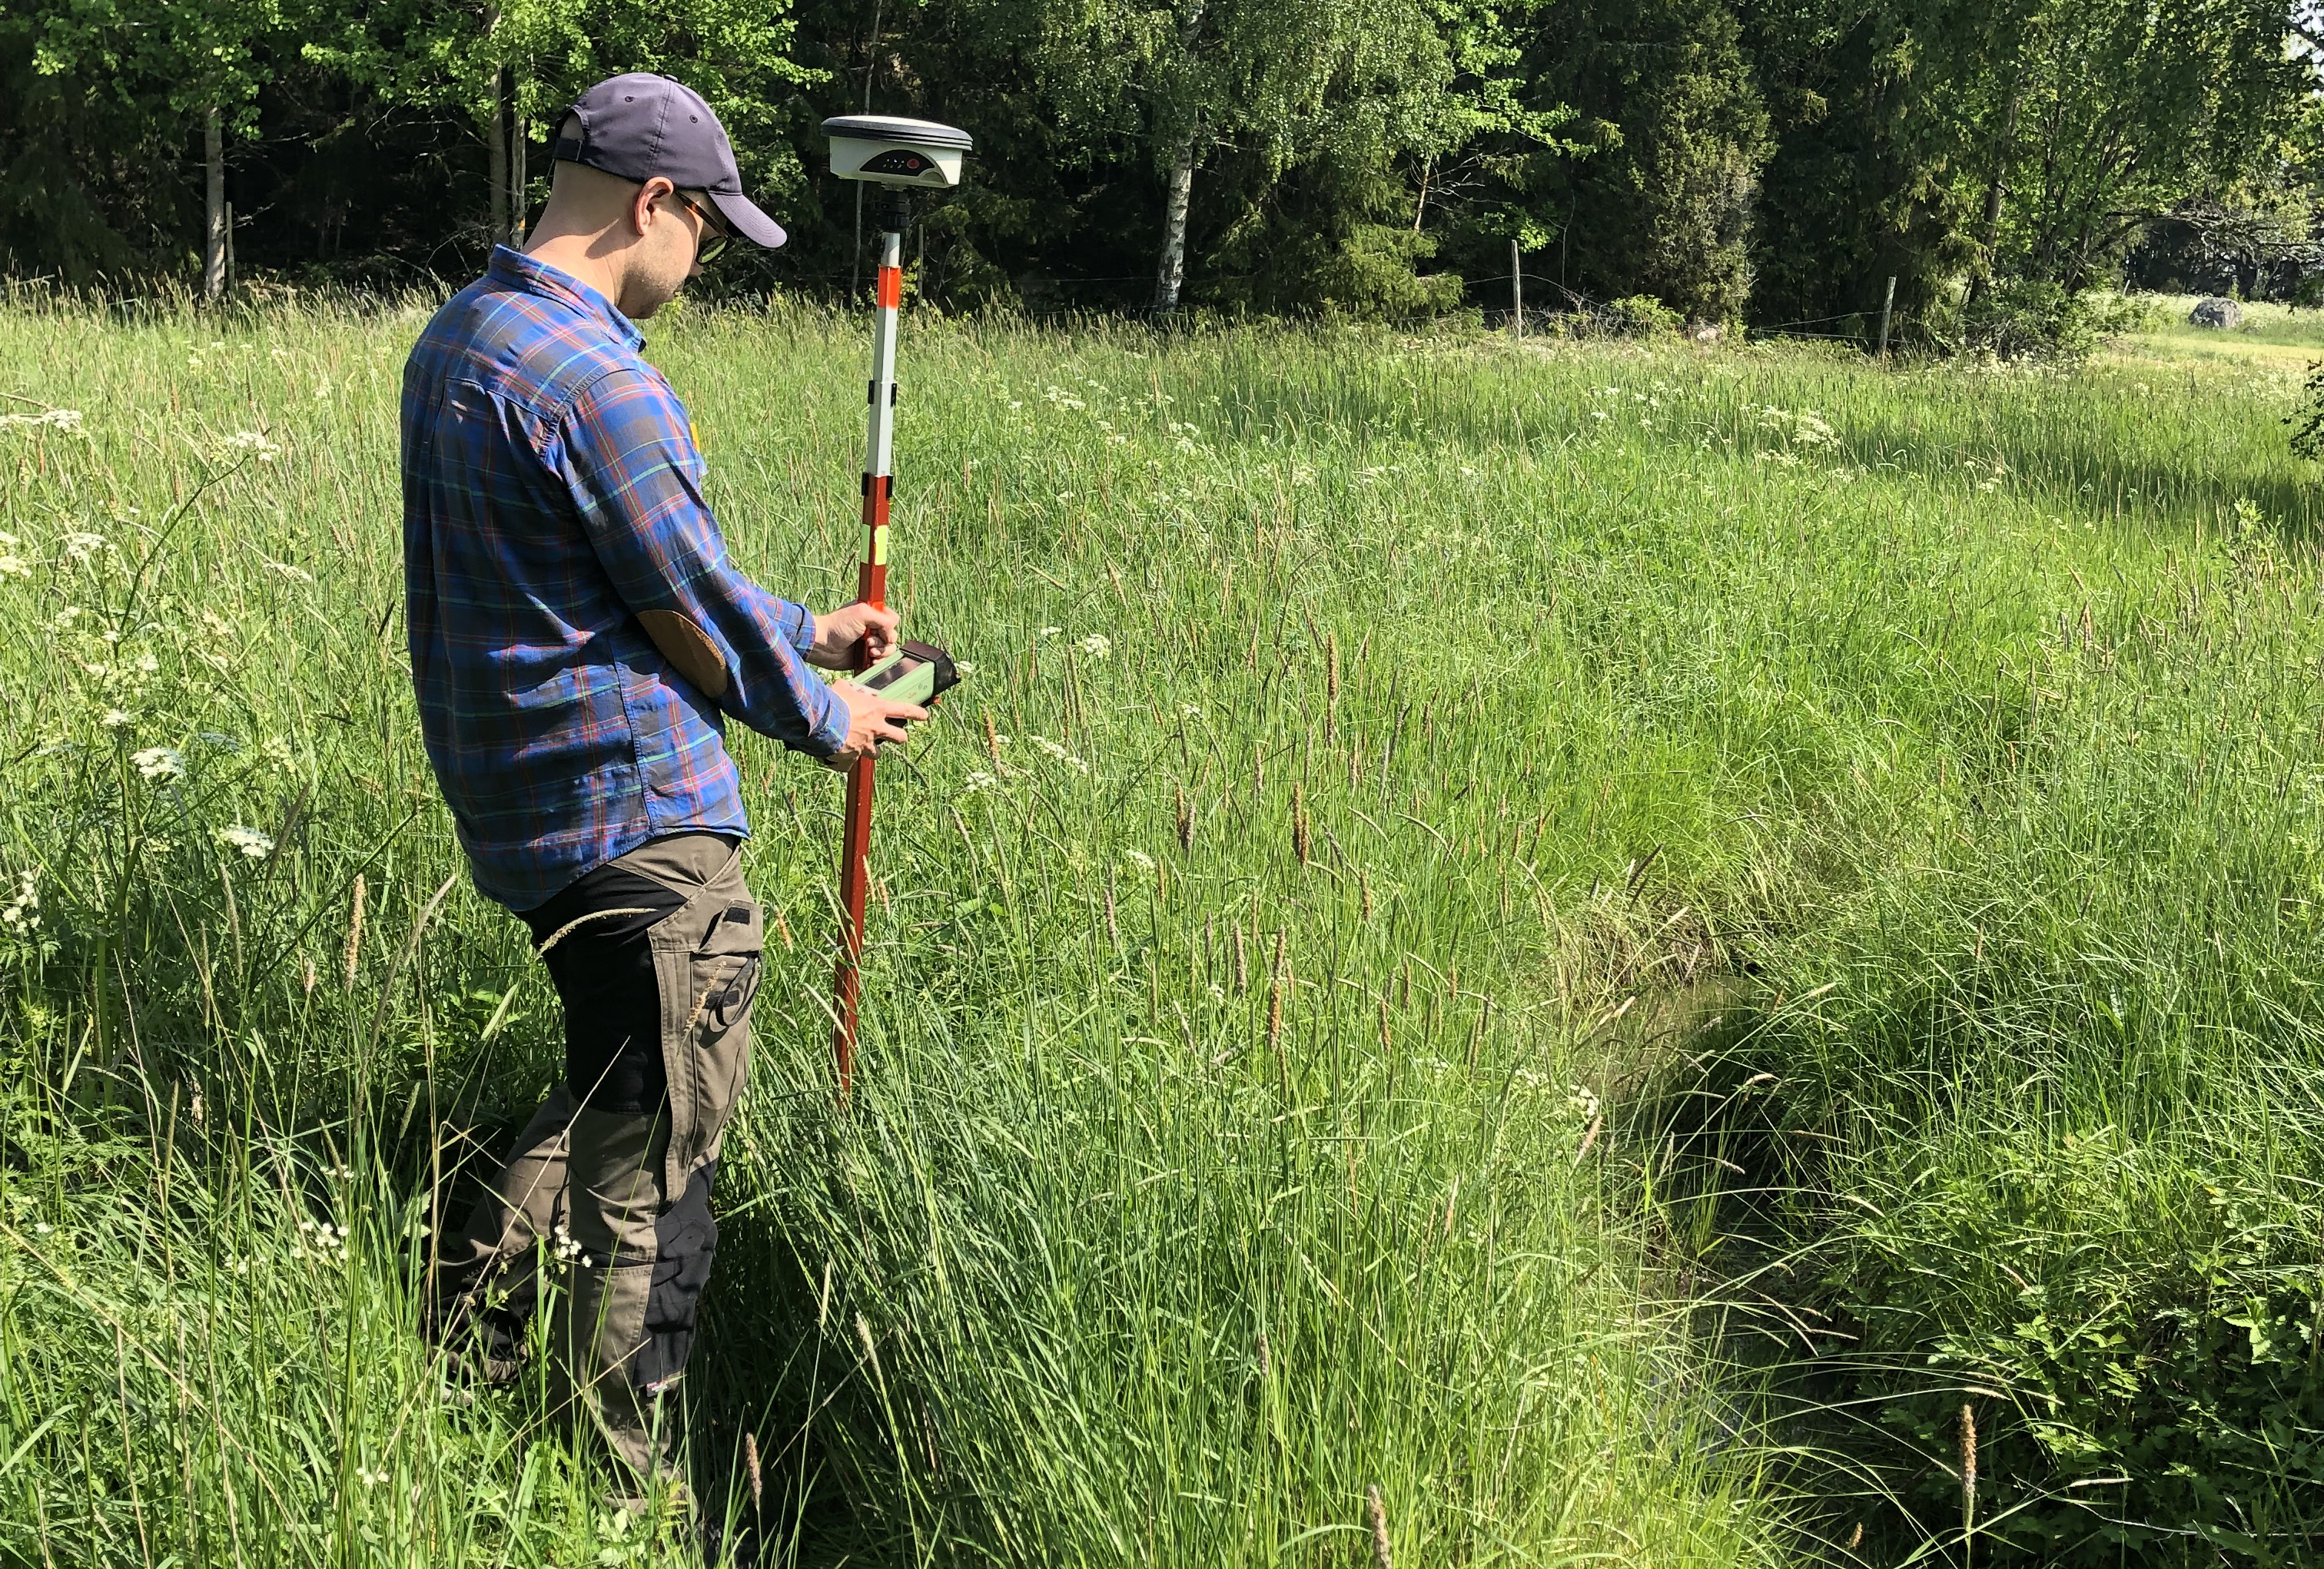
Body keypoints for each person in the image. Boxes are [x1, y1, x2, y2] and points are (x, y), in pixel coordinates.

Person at [400, 71, 925, 1491]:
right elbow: (683, 604)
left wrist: (801, 628)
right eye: (710, 232)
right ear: (655, 205)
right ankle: (619, 1484)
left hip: (533, 827)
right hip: (645, 835)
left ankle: (462, 1354)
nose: (704, 265)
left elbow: (624, 581)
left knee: (613, 1093)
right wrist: (830, 710)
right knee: (663, 1180)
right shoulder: (605, 382)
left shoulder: (463, 336)